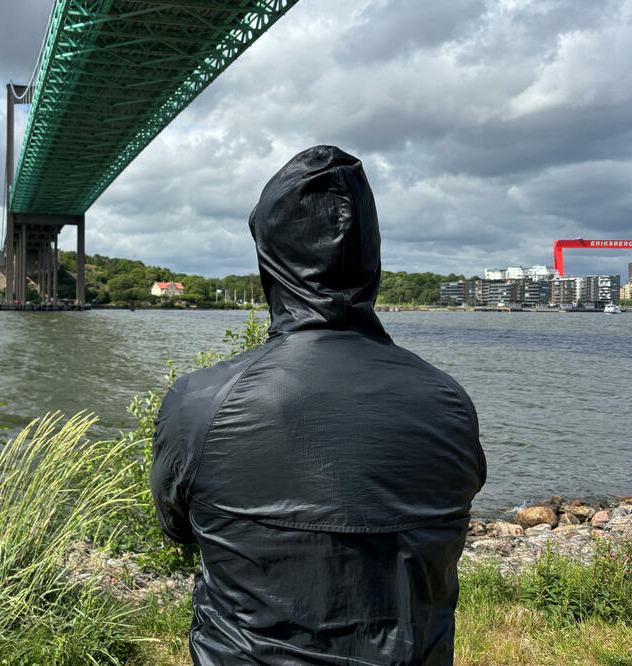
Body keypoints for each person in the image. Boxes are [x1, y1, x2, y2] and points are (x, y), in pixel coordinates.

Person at [150, 145, 487, 665]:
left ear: (269, 259)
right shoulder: (450, 403)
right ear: (372, 256)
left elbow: (178, 529)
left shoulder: (201, 404)